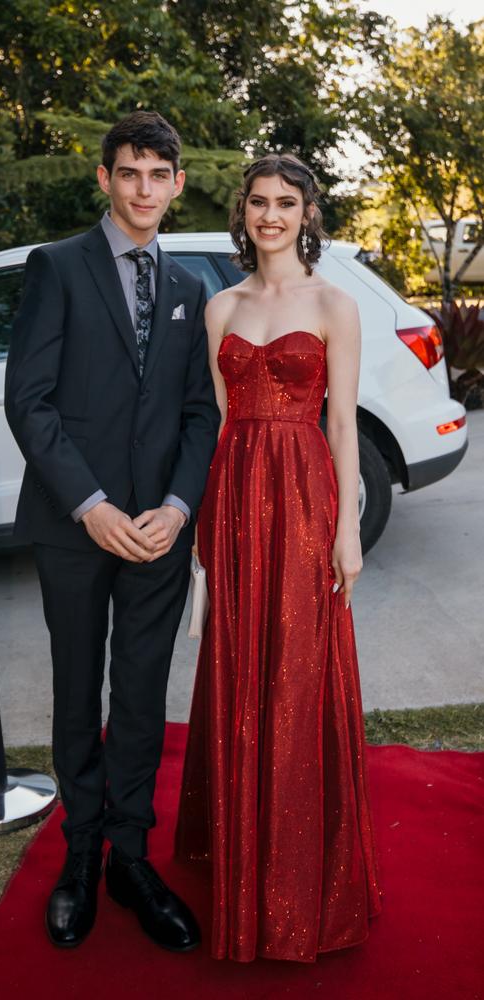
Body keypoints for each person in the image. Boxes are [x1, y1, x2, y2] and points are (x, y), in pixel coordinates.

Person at [4, 111, 219, 952]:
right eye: (127, 172)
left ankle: (131, 856)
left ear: (175, 184)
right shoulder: (56, 268)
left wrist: (177, 506)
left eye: (157, 175)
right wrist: (90, 504)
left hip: (159, 536)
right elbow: (30, 401)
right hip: (75, 528)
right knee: (74, 693)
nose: (142, 188)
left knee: (138, 697)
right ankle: (82, 855)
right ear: (105, 179)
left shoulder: (191, 289)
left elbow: (199, 416)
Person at [174, 154, 383, 963]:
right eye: (259, 202)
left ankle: (302, 881)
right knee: (239, 667)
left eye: (285, 203)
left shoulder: (335, 304)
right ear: (244, 211)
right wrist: (208, 520)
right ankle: (241, 858)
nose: (270, 216)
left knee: (298, 668)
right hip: (236, 500)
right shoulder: (221, 306)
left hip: (303, 501)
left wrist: (347, 530)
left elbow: (340, 426)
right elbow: (226, 420)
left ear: (306, 214)